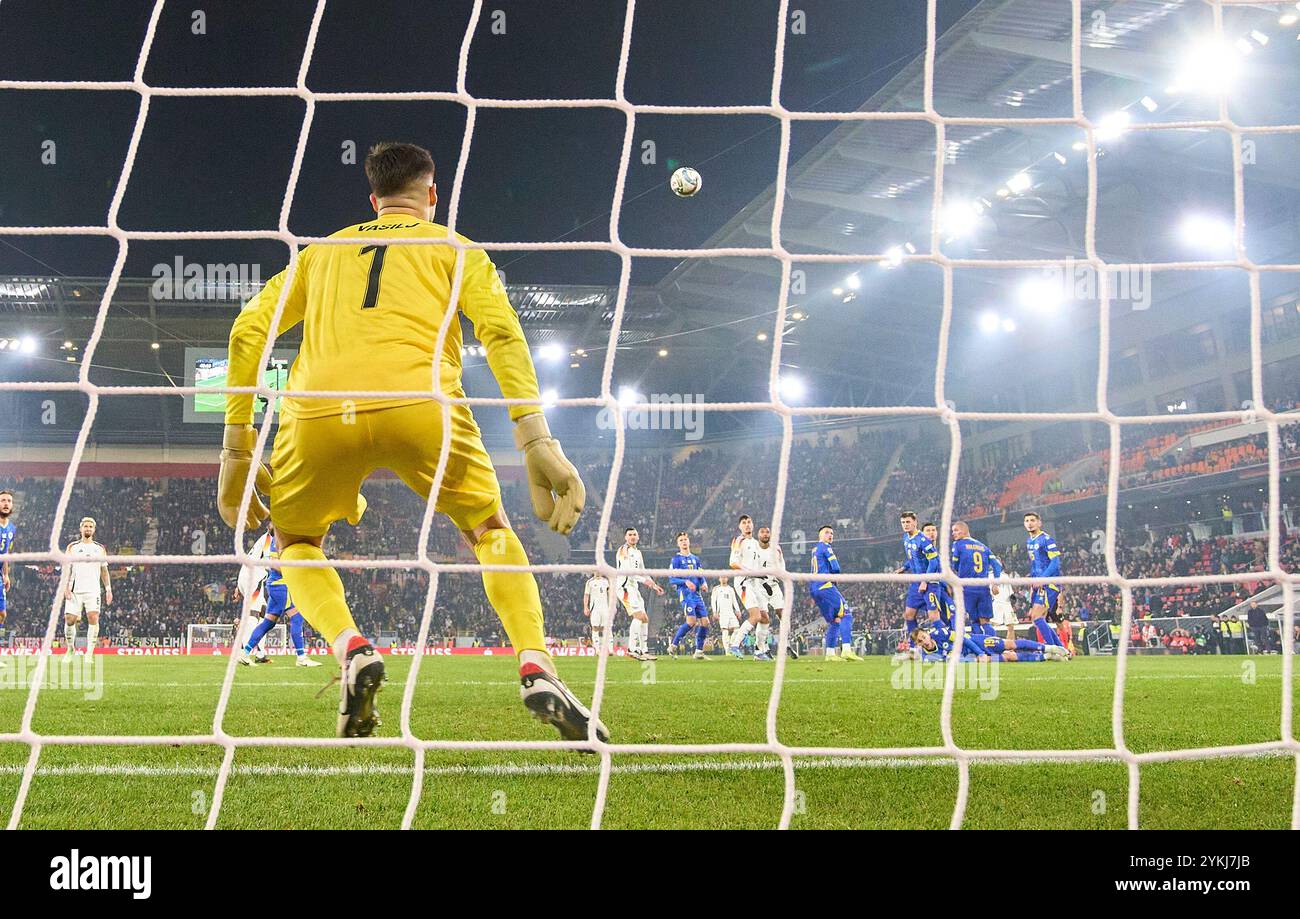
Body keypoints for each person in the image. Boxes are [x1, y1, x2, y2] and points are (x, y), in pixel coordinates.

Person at [218, 141, 597, 740]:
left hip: (320, 410)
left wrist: (238, 449)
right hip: (425, 406)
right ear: (433, 194)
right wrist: (534, 437)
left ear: (371, 199)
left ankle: (351, 648)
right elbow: (499, 331)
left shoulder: (321, 252)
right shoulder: (455, 248)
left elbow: (247, 330)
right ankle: (534, 662)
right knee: (489, 531)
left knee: (295, 540)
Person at [62, 517, 112, 653]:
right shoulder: (72, 547)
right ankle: (70, 649)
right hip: (74, 590)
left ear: (94, 530)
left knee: (93, 618)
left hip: (93, 590)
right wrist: (65, 587)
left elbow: (104, 570)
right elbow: (66, 568)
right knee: (70, 619)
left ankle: (89, 652)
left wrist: (108, 589)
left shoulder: (100, 548)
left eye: (90, 526)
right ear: (81, 529)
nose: (88, 528)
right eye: (86, 526)